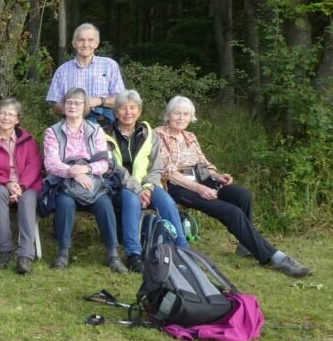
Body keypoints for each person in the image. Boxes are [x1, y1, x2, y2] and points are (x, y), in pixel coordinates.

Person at [156, 96, 311, 277]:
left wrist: (217, 176)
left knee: (242, 195)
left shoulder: (190, 136)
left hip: (203, 180)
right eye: (177, 113)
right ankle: (272, 257)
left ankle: (245, 246)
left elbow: (204, 163)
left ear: (191, 117)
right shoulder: (159, 134)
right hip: (179, 187)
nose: (181, 118)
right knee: (231, 212)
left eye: (186, 114)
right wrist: (200, 189)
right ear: (168, 115)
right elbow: (167, 172)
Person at [105, 90, 189, 273]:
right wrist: (138, 190)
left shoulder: (150, 134)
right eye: (123, 108)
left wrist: (149, 188)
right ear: (116, 112)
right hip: (120, 187)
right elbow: (114, 169)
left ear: (139, 111)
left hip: (148, 185)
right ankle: (134, 254)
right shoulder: (105, 136)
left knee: (166, 201)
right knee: (131, 200)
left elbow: (157, 167)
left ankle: (183, 250)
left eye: (133, 108)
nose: (128, 112)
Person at [43, 88, 126, 272]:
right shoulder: (52, 132)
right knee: (64, 203)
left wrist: (86, 169)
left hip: (92, 182)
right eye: (69, 102)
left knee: (105, 204)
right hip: (65, 181)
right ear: (63, 106)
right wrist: (73, 171)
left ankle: (113, 255)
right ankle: (63, 253)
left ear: (85, 107)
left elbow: (105, 162)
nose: (73, 106)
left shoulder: (95, 130)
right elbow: (51, 163)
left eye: (78, 103)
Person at [0, 98, 42, 274]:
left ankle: (25, 256)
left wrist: (21, 186)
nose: (6, 117)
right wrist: (7, 183)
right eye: (3, 113)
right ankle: (5, 249)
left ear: (18, 119)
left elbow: (34, 165)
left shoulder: (28, 140)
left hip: (26, 184)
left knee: (28, 200)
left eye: (10, 114)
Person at [46, 23, 124, 129]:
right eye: (81, 40)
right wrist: (73, 109)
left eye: (90, 40)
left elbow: (121, 100)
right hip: (72, 126)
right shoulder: (62, 71)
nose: (86, 44)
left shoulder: (110, 65)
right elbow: (55, 105)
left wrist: (99, 101)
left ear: (97, 43)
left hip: (104, 125)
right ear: (74, 43)